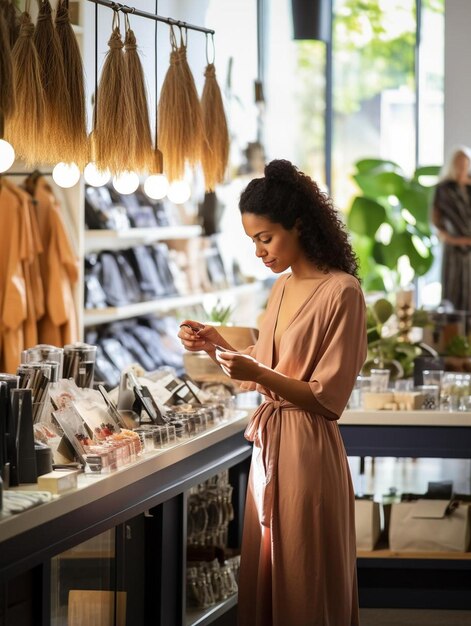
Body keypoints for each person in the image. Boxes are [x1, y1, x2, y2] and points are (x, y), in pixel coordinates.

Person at [178, 159, 367, 626]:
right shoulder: (280, 289)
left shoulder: (342, 292)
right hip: (269, 450)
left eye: (266, 238)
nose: (260, 252)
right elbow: (262, 364)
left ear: (298, 226)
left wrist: (260, 375)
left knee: (304, 573)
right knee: (267, 568)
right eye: (253, 242)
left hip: (307, 449)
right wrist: (215, 345)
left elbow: (327, 396)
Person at [433, 146, 471, 311]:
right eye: (459, 163)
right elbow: (437, 221)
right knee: (453, 295)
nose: (462, 167)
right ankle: (453, 334)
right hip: (454, 249)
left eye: (465, 163)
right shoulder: (444, 189)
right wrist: (453, 239)